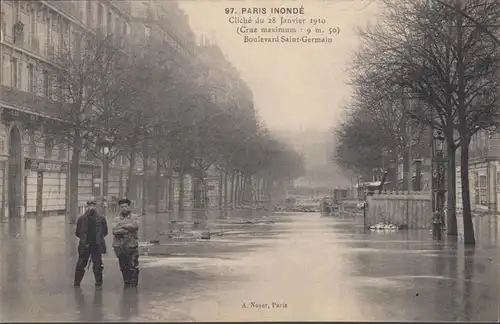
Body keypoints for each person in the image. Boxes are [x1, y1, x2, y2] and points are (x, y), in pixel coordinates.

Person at [74, 197, 108, 287]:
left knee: (98, 265)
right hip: (85, 245)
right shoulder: (81, 219)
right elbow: (78, 232)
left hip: (96, 246)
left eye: (93, 205)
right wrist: (84, 240)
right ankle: (77, 282)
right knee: (81, 265)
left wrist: (98, 239)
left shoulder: (101, 219)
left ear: (96, 206)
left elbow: (105, 232)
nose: (91, 207)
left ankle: (98, 283)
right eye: (89, 205)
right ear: (87, 206)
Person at [112, 198, 140, 288]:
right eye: (122, 207)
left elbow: (135, 226)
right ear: (120, 208)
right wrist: (127, 229)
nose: (124, 208)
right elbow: (114, 231)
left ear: (129, 207)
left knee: (133, 266)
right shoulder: (116, 219)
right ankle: (126, 283)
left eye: (126, 206)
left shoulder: (135, 217)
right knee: (123, 267)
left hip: (131, 246)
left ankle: (133, 286)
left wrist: (123, 226)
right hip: (120, 247)